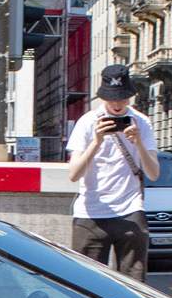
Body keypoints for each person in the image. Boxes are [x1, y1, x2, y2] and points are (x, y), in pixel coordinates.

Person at [64, 63, 159, 277]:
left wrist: (139, 144)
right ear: (103, 96)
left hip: (131, 209)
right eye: (112, 97)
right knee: (86, 282)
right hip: (91, 213)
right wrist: (96, 142)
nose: (117, 104)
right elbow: (74, 174)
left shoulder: (142, 122)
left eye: (122, 97)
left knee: (135, 284)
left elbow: (153, 173)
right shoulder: (88, 122)